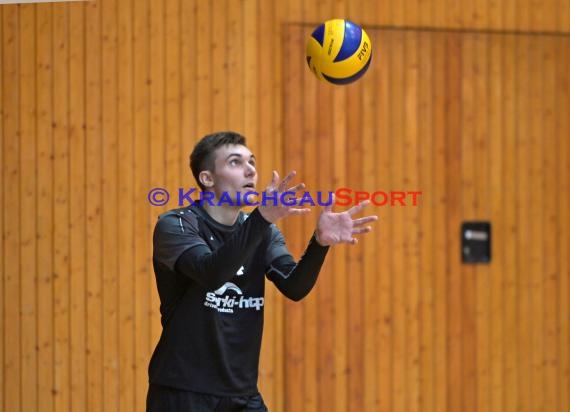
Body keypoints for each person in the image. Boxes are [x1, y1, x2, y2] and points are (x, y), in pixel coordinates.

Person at [146, 131, 378, 411]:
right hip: (183, 391)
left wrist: (319, 244)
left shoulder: (262, 232)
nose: (251, 169)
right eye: (235, 162)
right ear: (207, 178)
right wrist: (262, 218)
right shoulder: (176, 225)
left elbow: (294, 287)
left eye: (252, 161)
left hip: (242, 394)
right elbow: (211, 273)